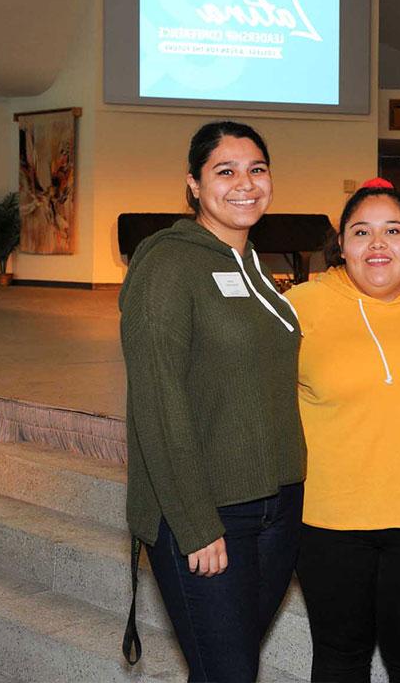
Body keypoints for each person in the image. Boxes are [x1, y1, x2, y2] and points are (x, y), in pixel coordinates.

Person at [119, 121, 305, 682]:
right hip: (207, 513)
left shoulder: (255, 266)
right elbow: (158, 400)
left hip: (277, 506)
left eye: (257, 169)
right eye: (225, 171)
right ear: (195, 185)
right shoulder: (168, 264)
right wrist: (196, 523)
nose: (244, 184)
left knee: (230, 667)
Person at [287, 181, 400, 683]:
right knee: (340, 657)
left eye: (393, 230)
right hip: (330, 520)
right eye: (361, 232)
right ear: (340, 245)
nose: (377, 245)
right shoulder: (300, 307)